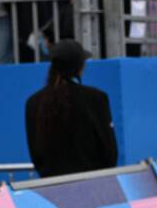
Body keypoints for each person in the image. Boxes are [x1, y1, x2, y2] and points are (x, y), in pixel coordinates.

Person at [24, 40, 117, 178]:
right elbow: (110, 153)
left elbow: (37, 157)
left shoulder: (33, 103)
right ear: (80, 66)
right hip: (93, 185)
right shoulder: (96, 98)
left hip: (50, 188)